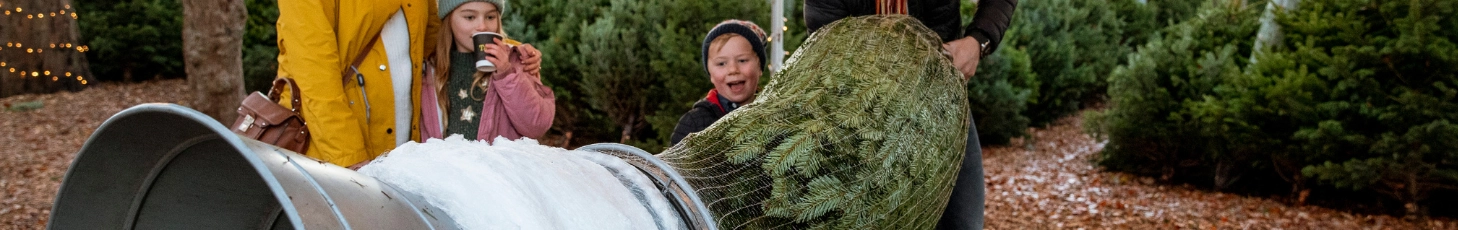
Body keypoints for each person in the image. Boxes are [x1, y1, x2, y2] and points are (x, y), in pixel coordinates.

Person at [803, 0, 1018, 229]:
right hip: (860, 118)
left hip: (944, 105)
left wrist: (977, 42)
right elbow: (829, 48)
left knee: (963, 222)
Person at [275, 0, 437, 168]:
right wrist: (352, 160)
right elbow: (317, 79)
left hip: (404, 153)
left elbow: (432, 38)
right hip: (329, 162)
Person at [419, 0, 555, 143]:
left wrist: (506, 73)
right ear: (449, 20)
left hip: (498, 165)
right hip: (449, 164)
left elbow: (537, 125)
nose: (482, 26)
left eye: (490, 17)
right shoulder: (430, 70)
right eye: (470, 17)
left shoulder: (517, 61)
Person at [669, 20, 769, 146]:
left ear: (759, 67)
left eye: (742, 60)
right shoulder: (694, 123)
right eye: (721, 63)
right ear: (711, 74)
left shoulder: (776, 116)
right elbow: (671, 164)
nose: (733, 70)